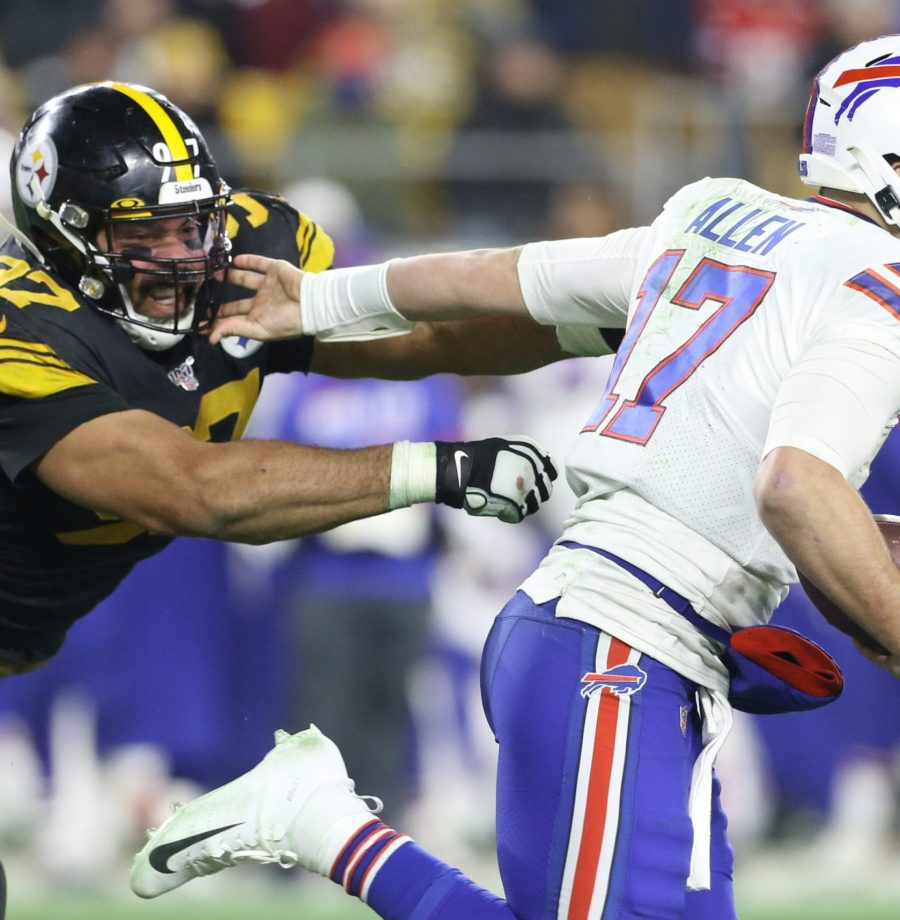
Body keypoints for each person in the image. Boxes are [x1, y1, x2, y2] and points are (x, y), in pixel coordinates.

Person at [131, 34, 900, 920]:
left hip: (616, 636)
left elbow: (506, 275)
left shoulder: (717, 213)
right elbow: (797, 488)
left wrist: (319, 299)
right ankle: (321, 824)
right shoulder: (876, 285)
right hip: (622, 644)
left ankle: (325, 826)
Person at [0, 78, 620, 683]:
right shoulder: (22, 325)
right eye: (141, 234)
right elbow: (194, 490)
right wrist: (435, 469)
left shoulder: (246, 252)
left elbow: (430, 333)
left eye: (188, 227)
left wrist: (610, 325)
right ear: (60, 237)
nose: (179, 259)